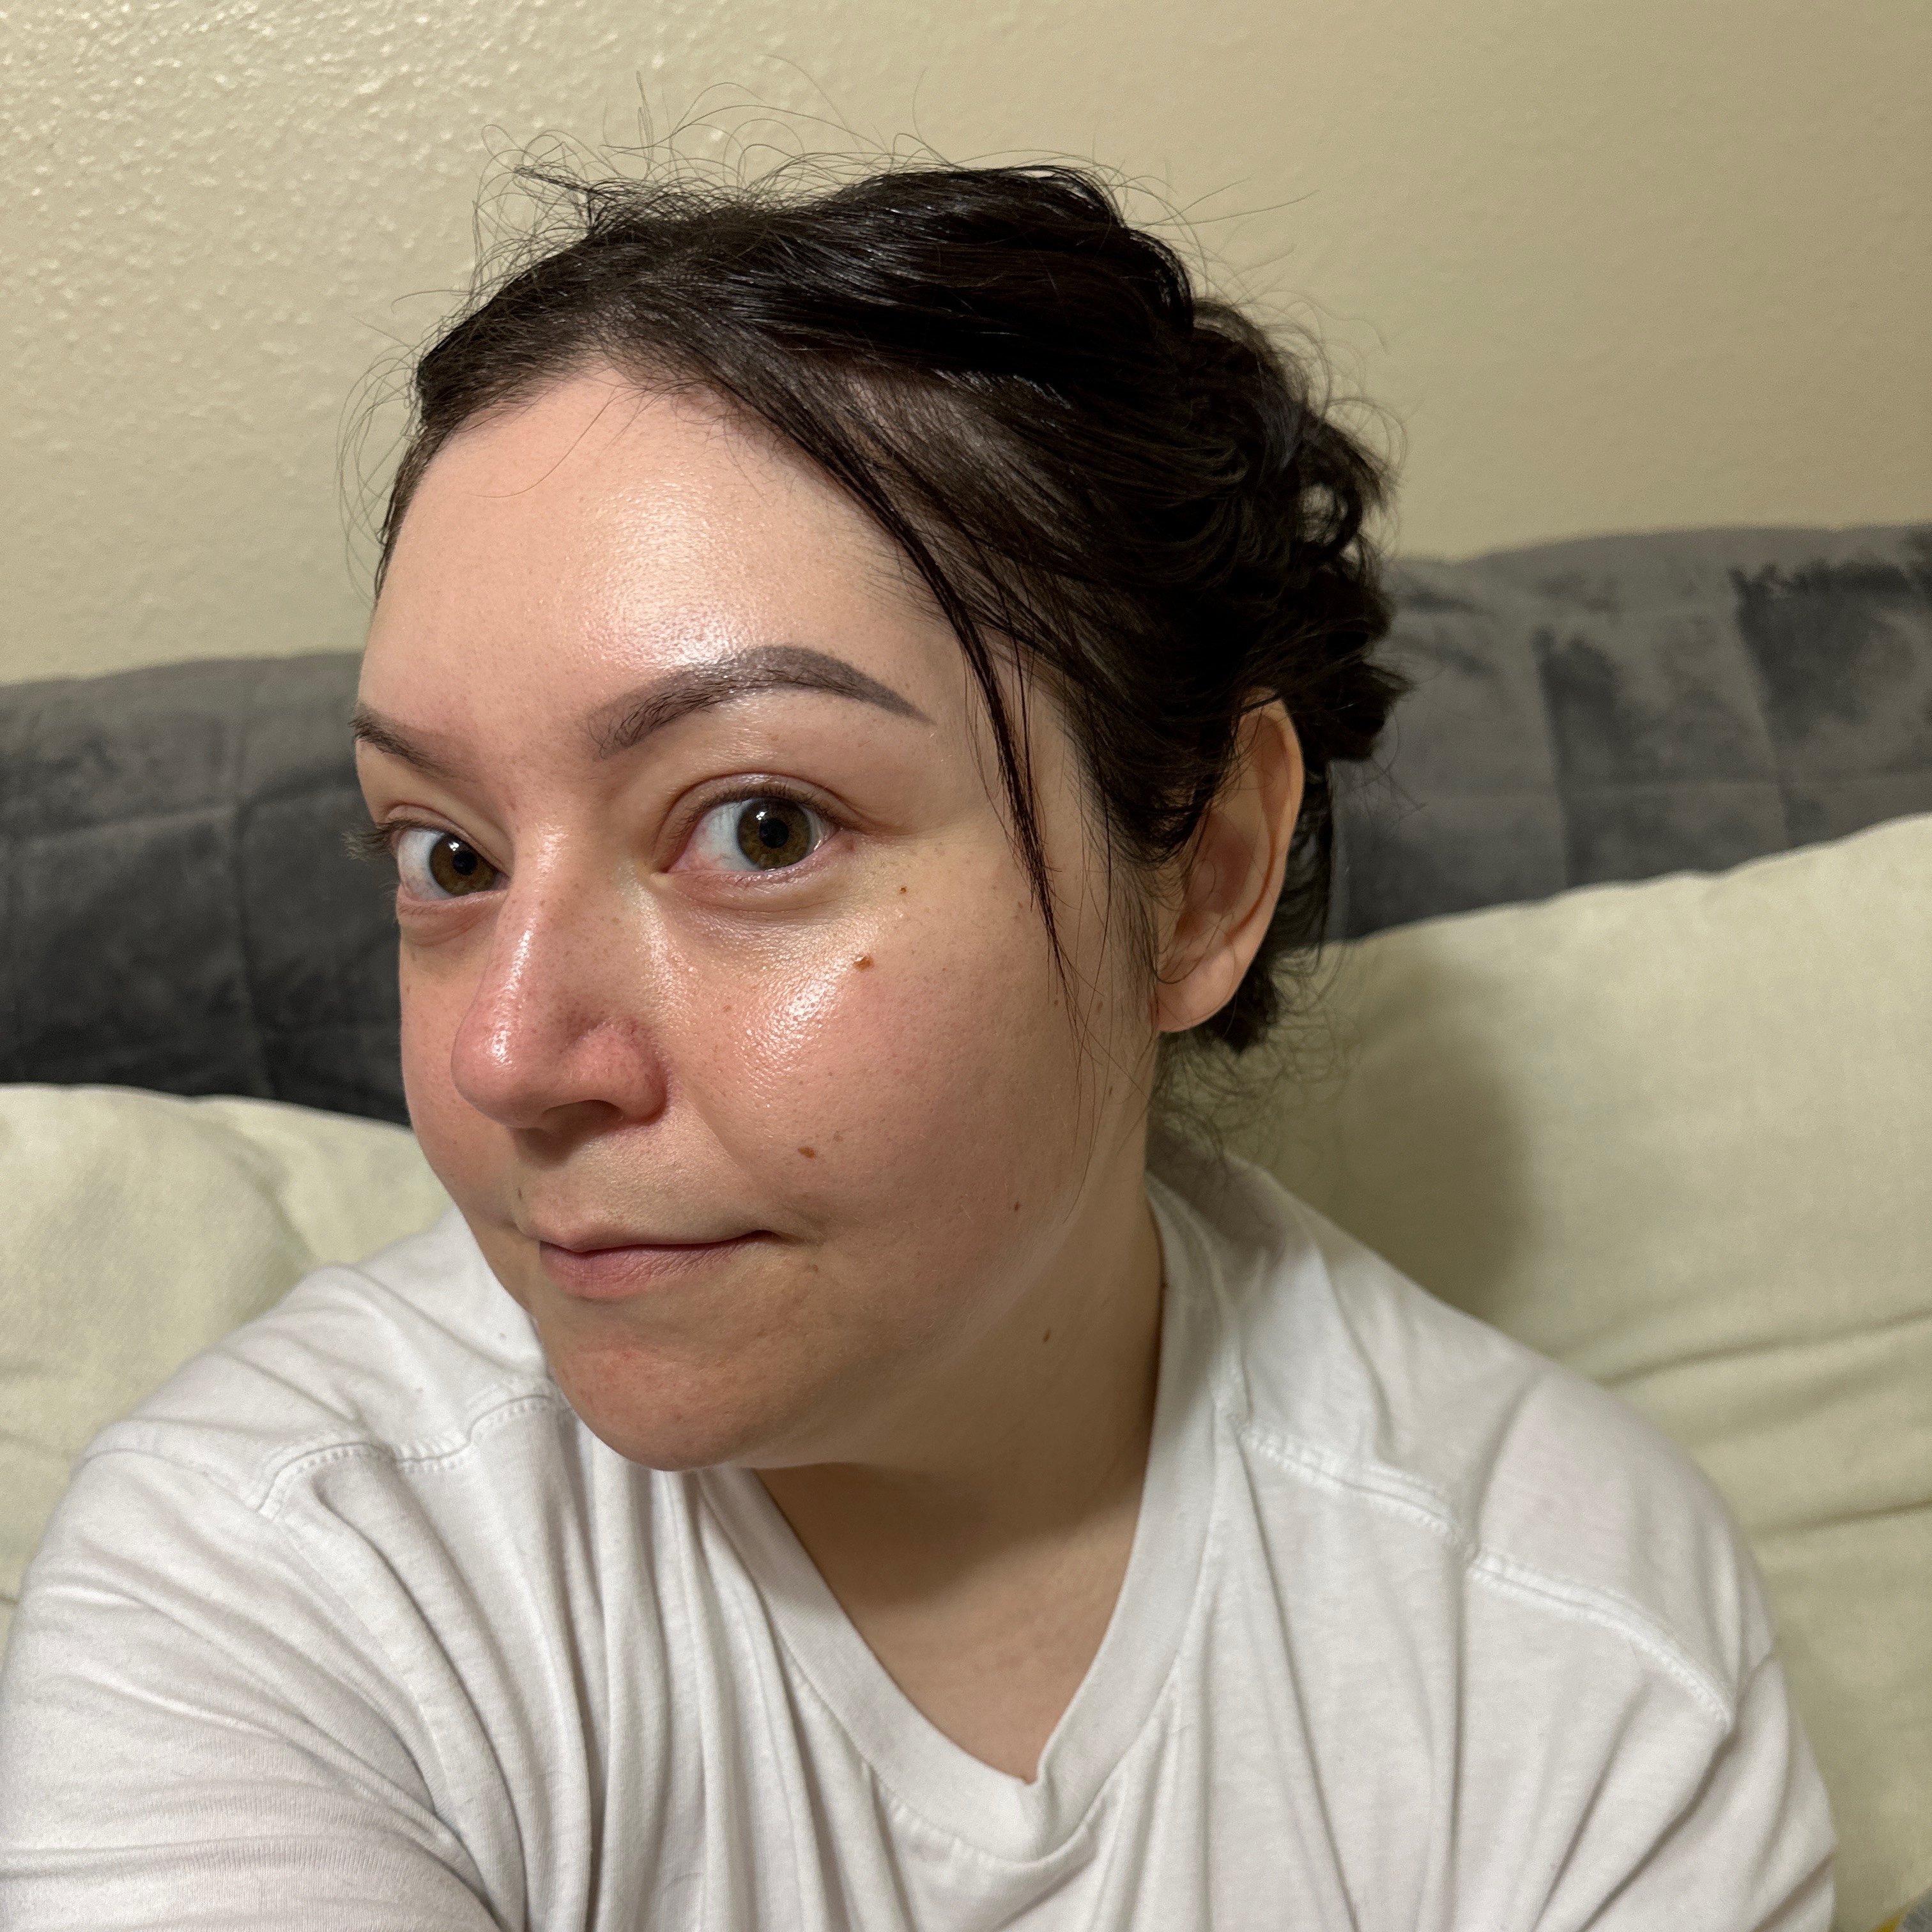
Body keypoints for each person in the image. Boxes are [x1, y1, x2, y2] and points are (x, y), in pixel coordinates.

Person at [0, 160, 1833, 1928]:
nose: (505, 1057)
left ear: (1204, 872)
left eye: (762, 827)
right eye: (448, 858)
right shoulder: (275, 1587)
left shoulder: (1572, 1657)